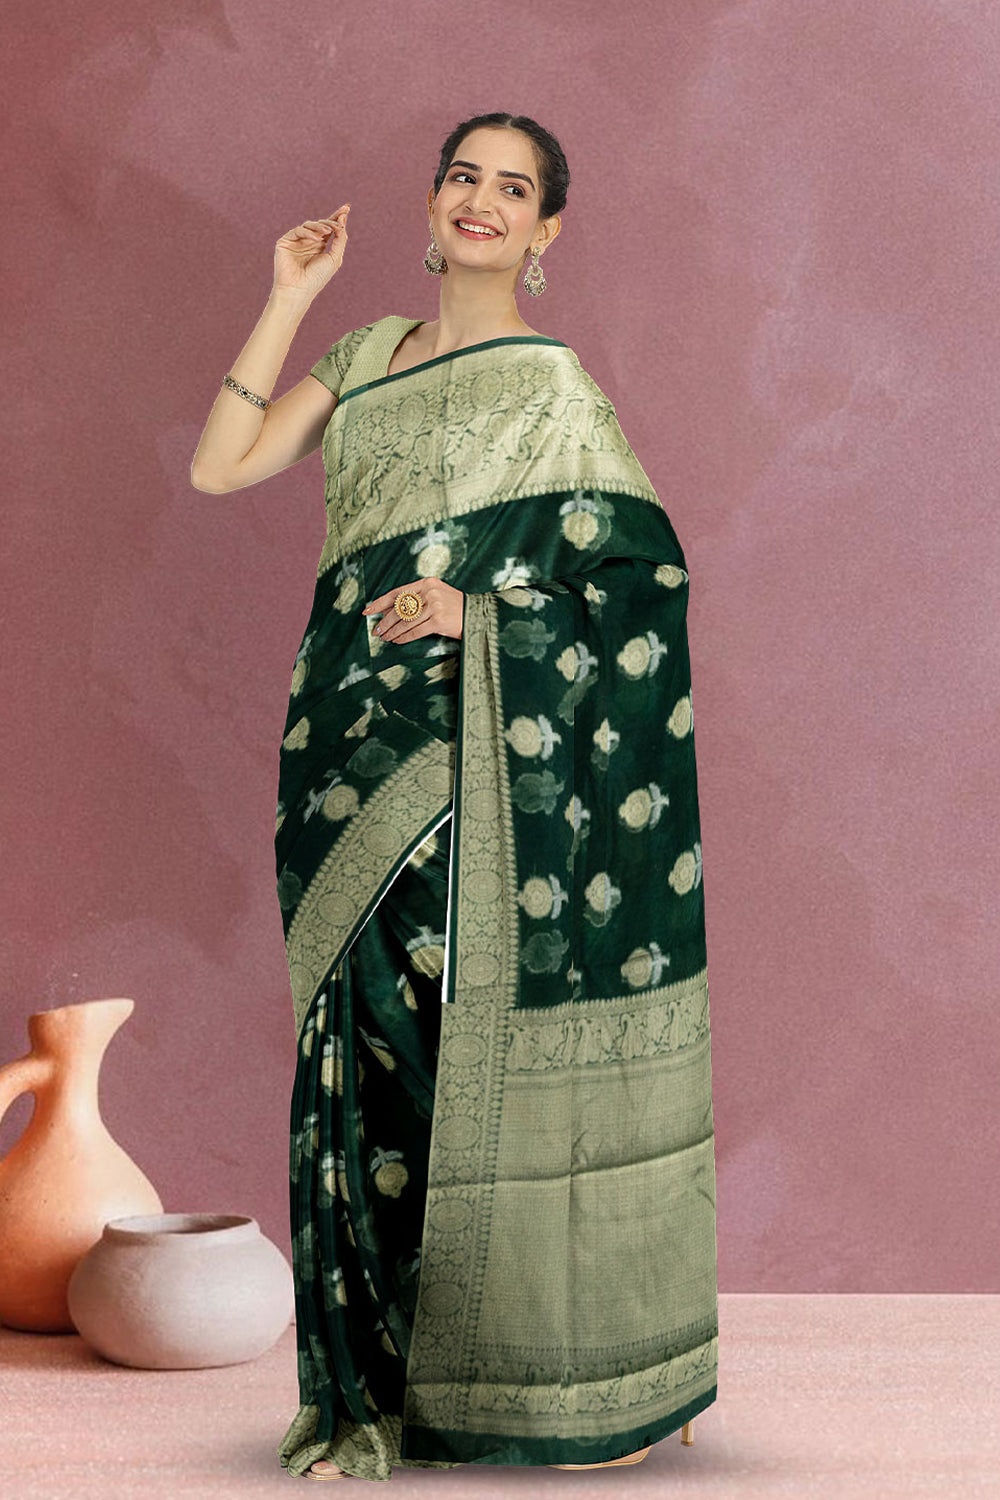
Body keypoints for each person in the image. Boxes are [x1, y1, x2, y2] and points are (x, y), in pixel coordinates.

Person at [191, 111, 719, 1485]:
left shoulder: (553, 387)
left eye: (514, 188)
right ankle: (376, 1389)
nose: (481, 200)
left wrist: (479, 610)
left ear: (547, 231)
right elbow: (220, 465)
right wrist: (288, 296)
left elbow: (638, 588)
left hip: (472, 755)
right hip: (339, 753)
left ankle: (524, 1379)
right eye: (463, 177)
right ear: (431, 203)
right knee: (357, 1049)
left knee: (446, 1048)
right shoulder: (365, 354)